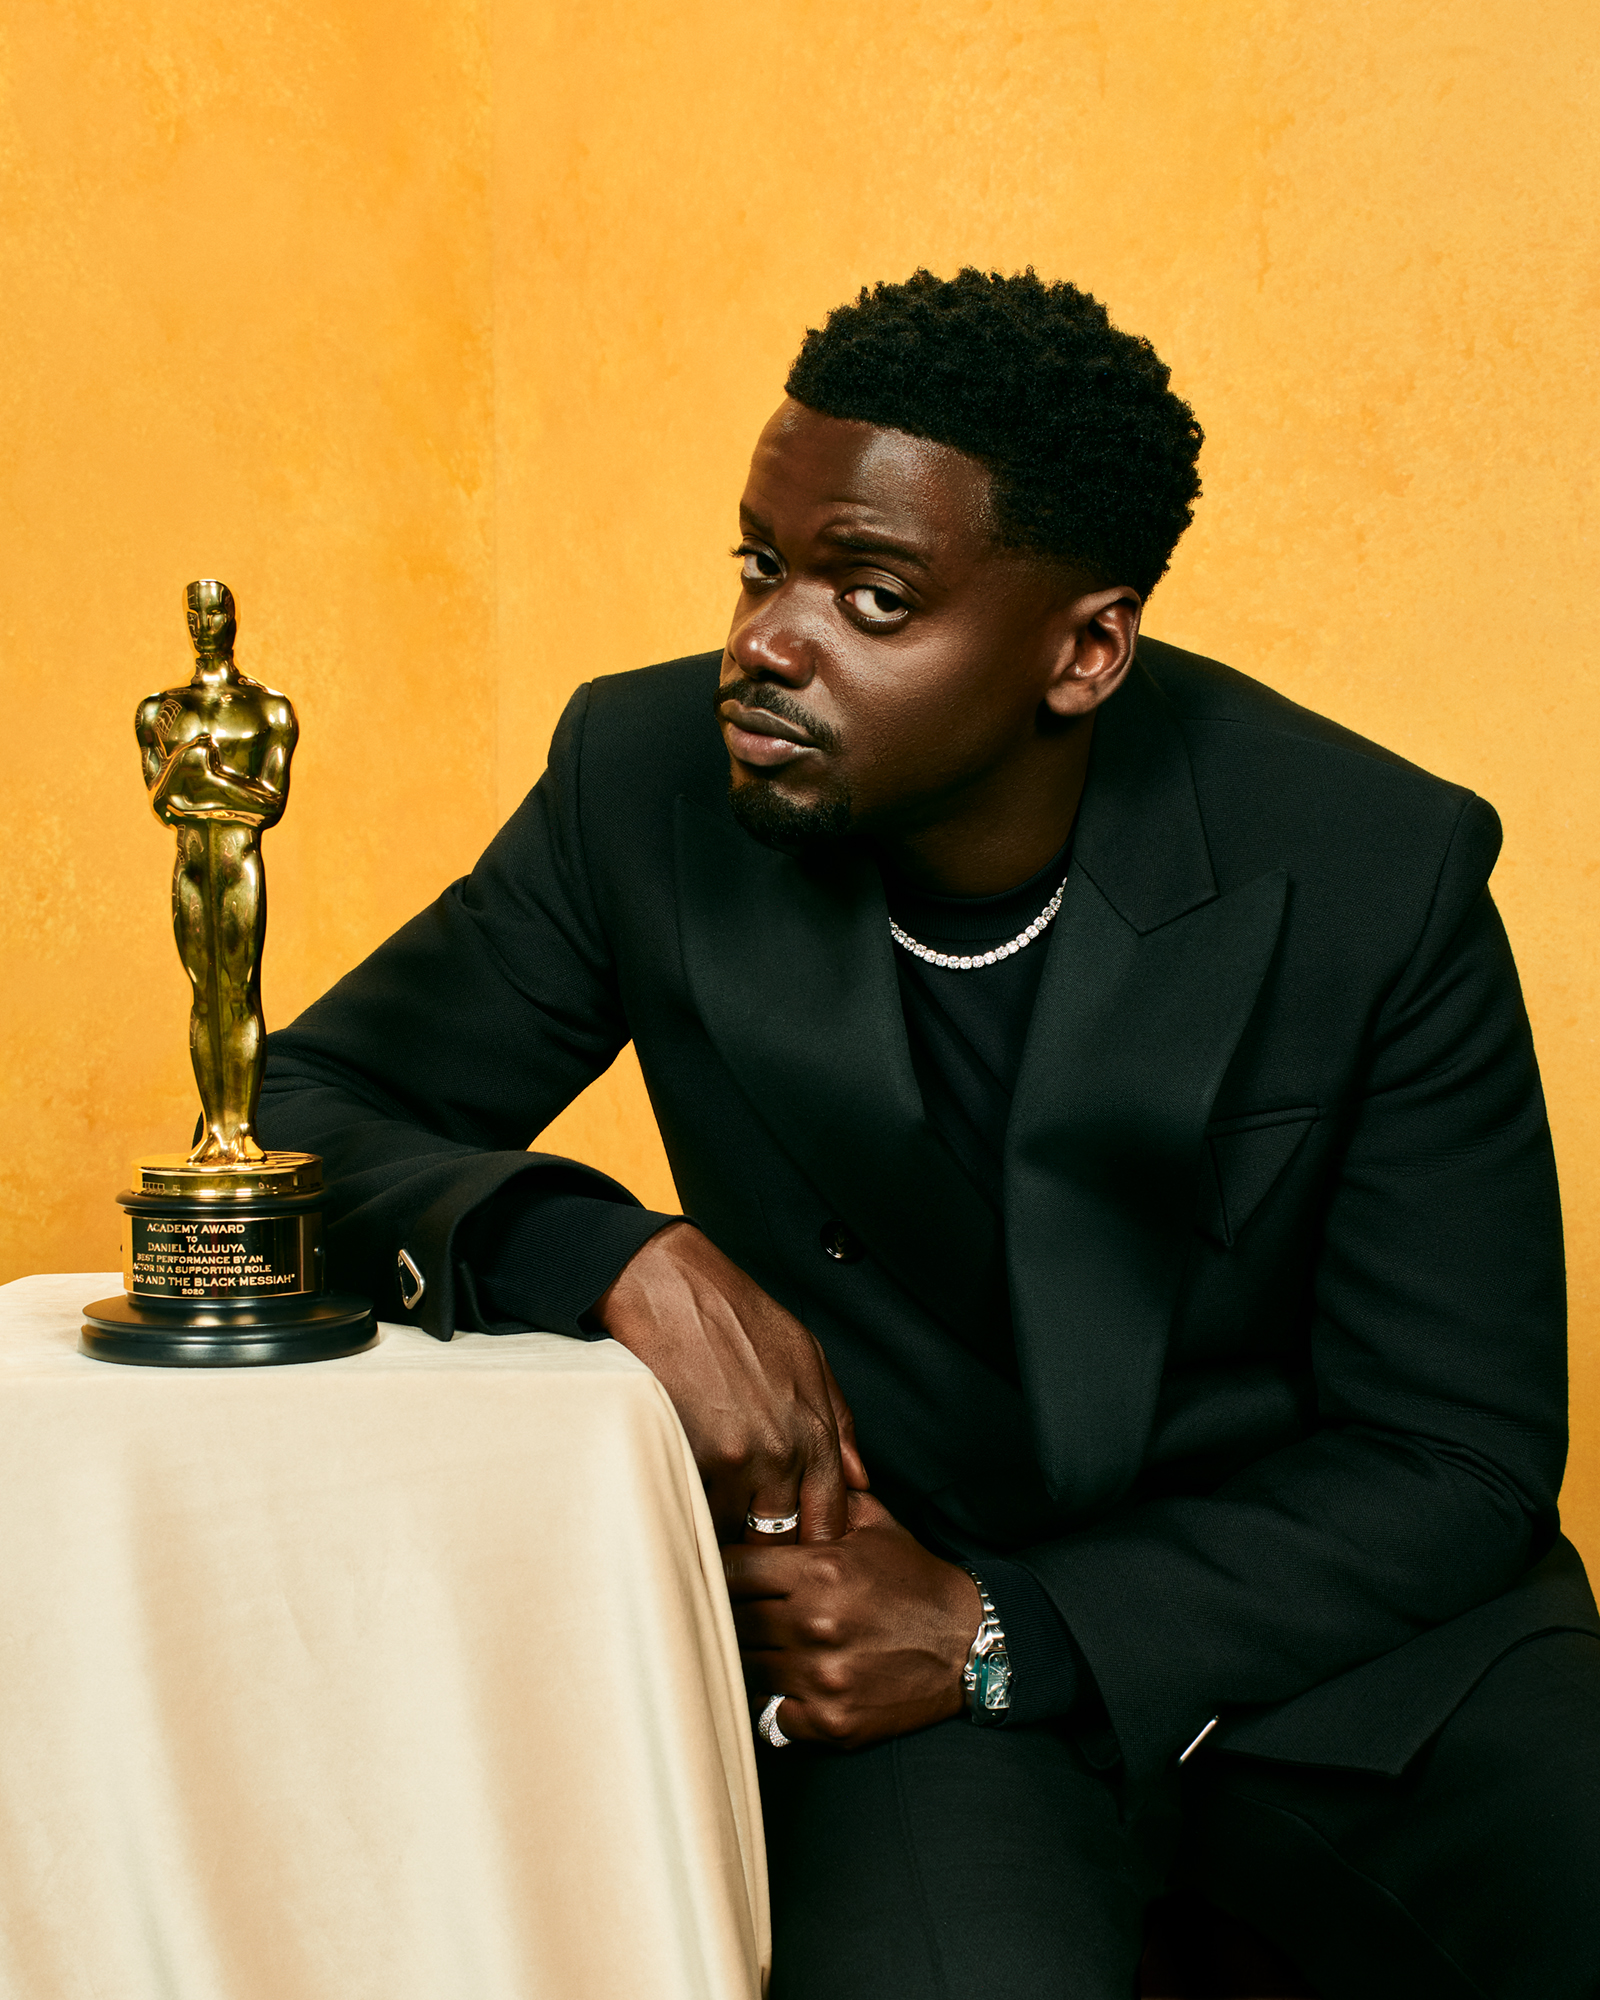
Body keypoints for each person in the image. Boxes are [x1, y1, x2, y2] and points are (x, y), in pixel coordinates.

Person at [260, 269, 1600, 1998]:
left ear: (1085, 651)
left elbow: (1460, 1455)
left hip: (1356, 1654)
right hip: (895, 1675)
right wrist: (605, 1252)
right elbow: (291, 1116)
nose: (768, 640)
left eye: (872, 597)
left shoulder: (1370, 867)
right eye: (761, 563)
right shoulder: (643, 780)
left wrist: (1006, 1630)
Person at [138, 579, 296, 1165]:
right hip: (192, 867)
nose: (203, 626)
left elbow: (269, 804)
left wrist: (203, 776)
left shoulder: (268, 710)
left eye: (214, 613)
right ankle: (215, 1131)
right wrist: (192, 767)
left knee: (239, 991)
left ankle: (242, 1131)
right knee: (203, 996)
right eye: (193, 615)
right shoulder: (160, 712)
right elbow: (164, 805)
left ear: (233, 616)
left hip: (239, 862)